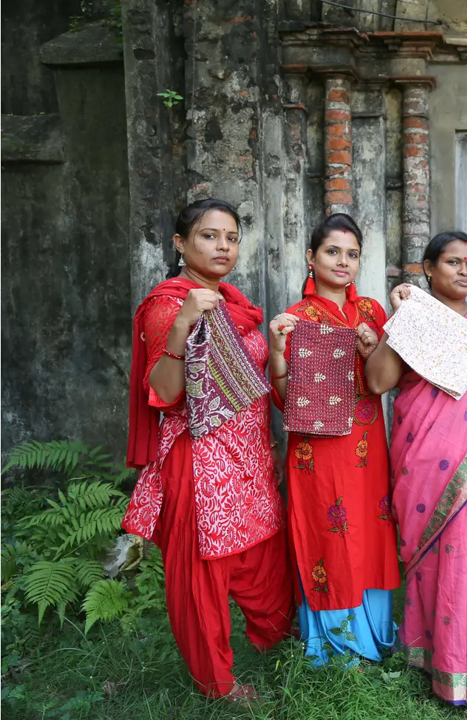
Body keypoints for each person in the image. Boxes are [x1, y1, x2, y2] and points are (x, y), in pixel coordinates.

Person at [123, 199, 293, 702]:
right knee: (203, 581)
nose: (223, 246)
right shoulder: (167, 304)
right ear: (180, 244)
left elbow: (251, 385)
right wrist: (181, 326)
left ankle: (274, 642)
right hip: (199, 463)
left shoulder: (235, 302)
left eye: (231, 237)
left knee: (265, 558)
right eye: (209, 236)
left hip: (249, 457)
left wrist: (270, 446)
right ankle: (218, 685)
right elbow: (167, 392)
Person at [365, 231, 467, 713]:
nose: (463, 271)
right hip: (426, 465)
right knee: (439, 557)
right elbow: (378, 382)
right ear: (428, 269)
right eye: (453, 262)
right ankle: (437, 657)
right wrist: (404, 322)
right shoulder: (415, 317)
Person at [266, 214, 399, 667]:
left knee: (369, 527)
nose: (343, 262)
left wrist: (372, 346)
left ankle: (376, 632)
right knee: (329, 531)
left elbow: (383, 381)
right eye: (332, 251)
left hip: (367, 445)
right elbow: (285, 401)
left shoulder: (372, 314)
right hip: (317, 452)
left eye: (352, 254)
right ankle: (335, 644)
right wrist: (280, 353)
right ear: (311, 257)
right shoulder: (296, 319)